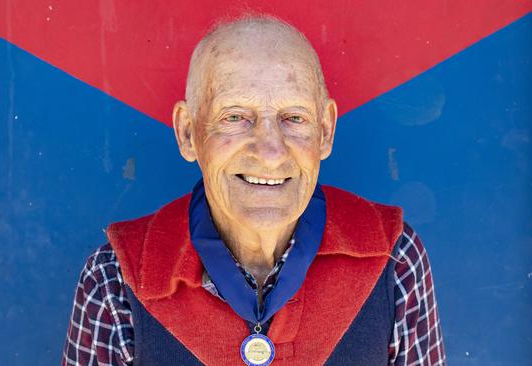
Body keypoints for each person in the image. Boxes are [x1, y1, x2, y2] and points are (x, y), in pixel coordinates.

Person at [62, 15, 445, 366]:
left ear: (326, 131)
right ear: (187, 133)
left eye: (294, 118)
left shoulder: (392, 255)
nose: (270, 151)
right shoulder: (119, 276)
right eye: (235, 118)